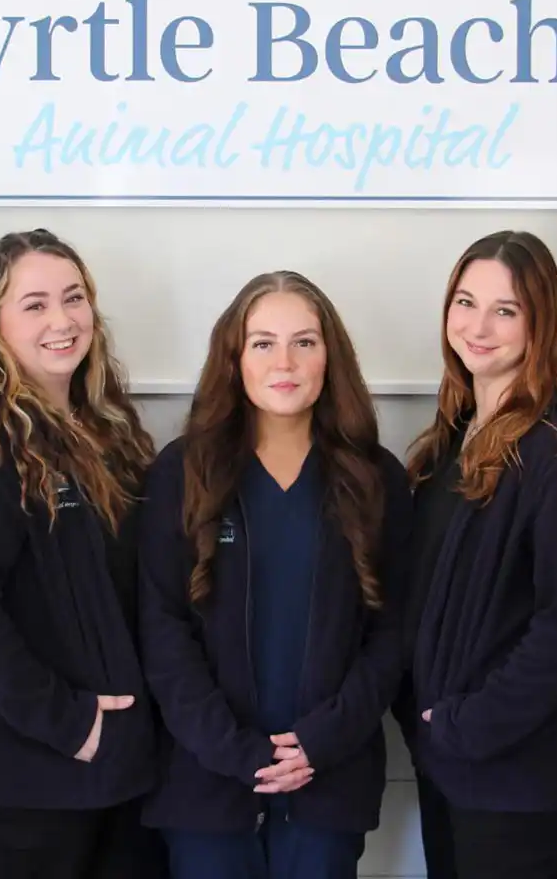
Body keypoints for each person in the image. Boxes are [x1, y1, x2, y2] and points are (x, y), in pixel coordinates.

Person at [139, 271, 412, 879]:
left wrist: (324, 738)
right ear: (234, 358)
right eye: (262, 342)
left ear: (330, 356)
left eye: (305, 342)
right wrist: (234, 750)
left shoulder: (376, 478)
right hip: (205, 784)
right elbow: (162, 630)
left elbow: (393, 632)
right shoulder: (183, 472)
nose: (283, 361)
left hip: (328, 781)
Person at [0, 229, 167, 878]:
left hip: (120, 769)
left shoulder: (111, 434)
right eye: (34, 305)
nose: (62, 321)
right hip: (31, 775)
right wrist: (70, 722)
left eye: (74, 298)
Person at [398, 230, 557, 879]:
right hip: (448, 760)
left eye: (505, 310)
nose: (478, 326)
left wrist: (467, 725)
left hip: (515, 770)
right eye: (465, 302)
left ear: (539, 324)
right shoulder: (450, 441)